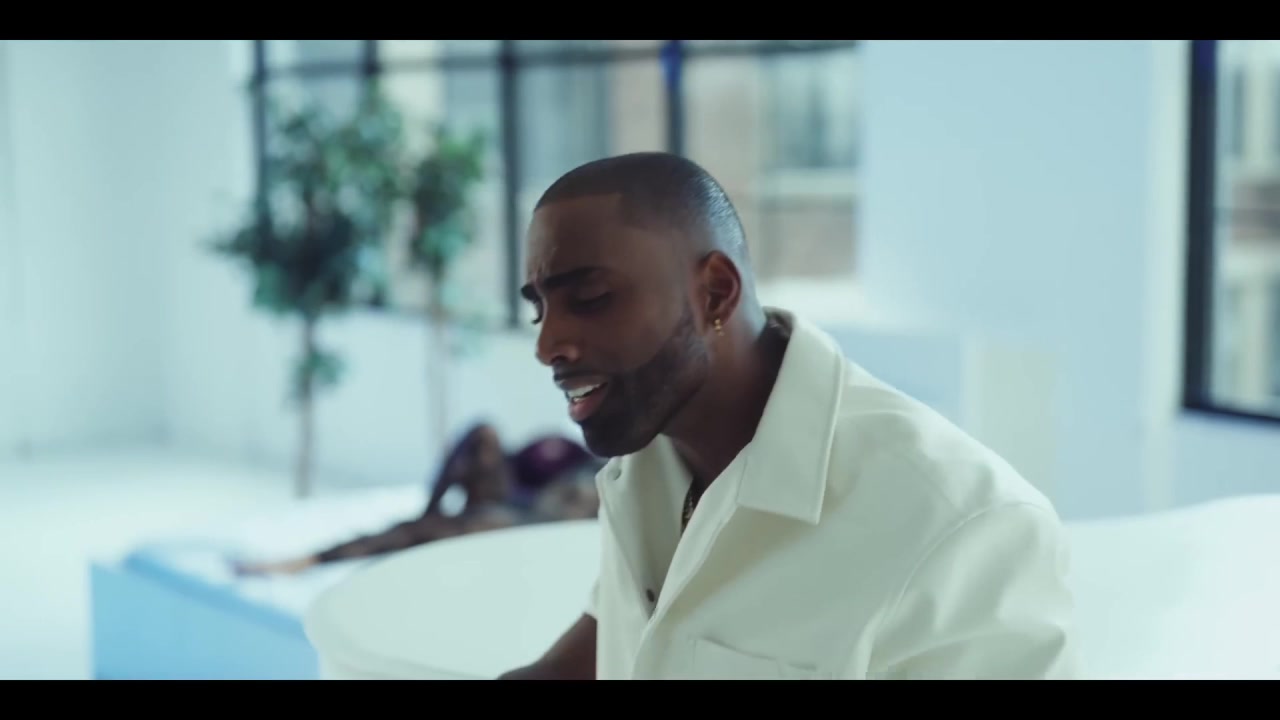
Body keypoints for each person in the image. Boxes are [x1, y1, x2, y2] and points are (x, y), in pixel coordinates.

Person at [499, 152, 1079, 680]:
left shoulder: (965, 525)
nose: (547, 346)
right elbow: (627, 636)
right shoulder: (649, 456)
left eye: (591, 299)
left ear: (715, 292)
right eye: (540, 310)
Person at [233, 423, 603, 576]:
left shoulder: (603, 481)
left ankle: (307, 560)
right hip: (518, 493)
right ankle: (428, 511)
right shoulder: (532, 460)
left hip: (530, 520)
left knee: (428, 531)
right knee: (483, 431)